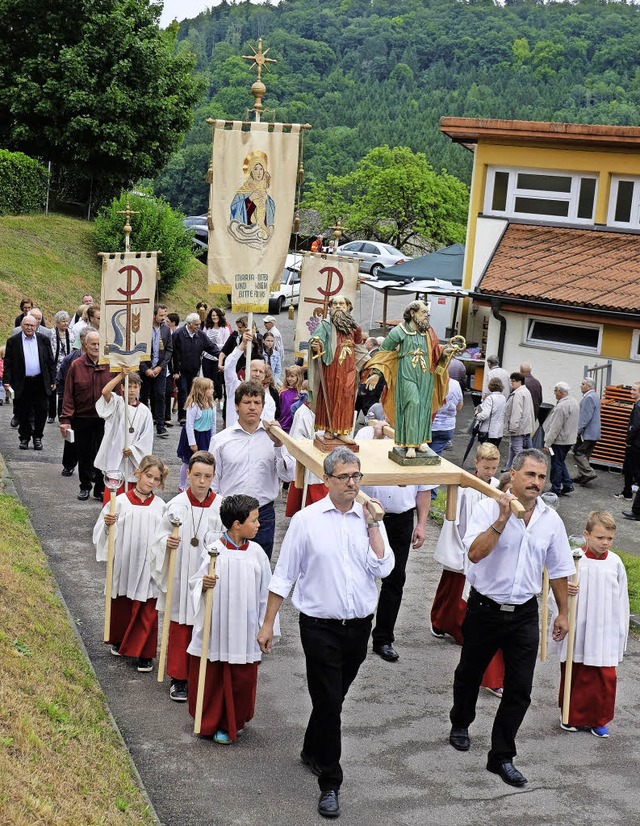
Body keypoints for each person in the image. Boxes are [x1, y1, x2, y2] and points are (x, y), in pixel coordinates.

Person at [257, 447, 394, 820]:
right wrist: (268, 622)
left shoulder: (370, 519)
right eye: (345, 477)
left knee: (331, 699)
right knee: (331, 700)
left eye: (357, 476)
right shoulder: (307, 520)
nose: (353, 483)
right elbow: (284, 574)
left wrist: (373, 525)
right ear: (327, 480)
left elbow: (383, 569)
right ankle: (330, 783)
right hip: (319, 627)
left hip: (359, 627)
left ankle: (310, 748)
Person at [448, 449, 575, 788]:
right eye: (530, 475)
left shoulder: (551, 520)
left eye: (541, 477)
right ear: (513, 475)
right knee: (469, 673)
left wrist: (562, 611)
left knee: (520, 689)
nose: (536, 482)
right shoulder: (487, 507)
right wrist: (502, 521)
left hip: (523, 614)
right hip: (485, 608)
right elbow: (474, 554)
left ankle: (502, 756)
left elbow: (560, 569)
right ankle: (460, 721)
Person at [186, 494, 275, 743]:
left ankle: (232, 722)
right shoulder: (214, 552)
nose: (259, 525)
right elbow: (195, 584)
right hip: (216, 627)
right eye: (254, 520)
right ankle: (210, 720)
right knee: (213, 675)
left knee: (240, 679)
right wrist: (203, 585)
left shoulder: (257, 553)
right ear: (237, 524)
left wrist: (266, 628)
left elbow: (265, 594)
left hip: (245, 630)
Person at [430, 444, 505, 695]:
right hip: (466, 545)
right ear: (476, 463)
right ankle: (443, 622)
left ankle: (460, 627)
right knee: (454, 588)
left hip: (487, 546)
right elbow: (460, 517)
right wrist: (464, 546)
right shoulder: (467, 486)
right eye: (485, 467)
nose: (489, 471)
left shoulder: (497, 487)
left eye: (493, 468)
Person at [357, 416, 432, 662]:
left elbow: (423, 489)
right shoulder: (366, 436)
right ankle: (356, 633)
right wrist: (378, 440)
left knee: (395, 578)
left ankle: (383, 639)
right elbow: (354, 472)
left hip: (400, 519)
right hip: (368, 516)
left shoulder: (418, 443)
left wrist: (421, 523)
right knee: (360, 573)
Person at [151, 451, 224, 702]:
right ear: (188, 475)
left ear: (213, 477)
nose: (202, 481)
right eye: (197, 476)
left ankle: (203, 675)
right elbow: (158, 539)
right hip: (181, 572)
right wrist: (166, 543)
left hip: (206, 575)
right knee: (182, 624)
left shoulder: (222, 506)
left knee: (205, 624)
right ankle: (180, 678)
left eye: (207, 476)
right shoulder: (176, 506)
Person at [551, 511, 629, 738]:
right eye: (600, 537)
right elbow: (554, 590)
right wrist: (567, 590)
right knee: (576, 670)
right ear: (586, 535)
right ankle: (571, 715)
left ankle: (598, 719)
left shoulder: (615, 562)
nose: (605, 543)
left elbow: (622, 599)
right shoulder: (574, 559)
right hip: (580, 627)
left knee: (604, 676)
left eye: (610, 538)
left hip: (605, 628)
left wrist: (620, 630)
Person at [93, 455, 169, 673]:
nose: (150, 482)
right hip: (125, 561)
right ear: (137, 473)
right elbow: (101, 533)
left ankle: (145, 654)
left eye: (156, 479)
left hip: (148, 565)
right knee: (123, 601)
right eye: (148, 476)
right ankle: (119, 639)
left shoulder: (161, 507)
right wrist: (108, 526)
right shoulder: (119, 503)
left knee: (147, 606)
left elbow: (164, 535)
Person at [210, 381, 295, 560]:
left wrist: (279, 445)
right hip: (230, 513)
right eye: (247, 402)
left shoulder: (276, 438)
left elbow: (288, 475)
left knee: (260, 567)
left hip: (262, 514)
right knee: (226, 565)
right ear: (236, 406)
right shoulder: (220, 440)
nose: (252, 407)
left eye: (257, 403)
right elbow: (213, 481)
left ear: (263, 407)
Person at [363, 300, 452, 458]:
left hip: (425, 375)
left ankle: (420, 440)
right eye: (423, 312)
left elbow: (435, 350)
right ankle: (410, 443)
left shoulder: (428, 332)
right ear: (412, 313)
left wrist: (444, 352)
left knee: (423, 406)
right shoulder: (399, 331)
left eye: (427, 313)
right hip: (407, 374)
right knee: (413, 403)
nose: (427, 315)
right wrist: (377, 372)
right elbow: (385, 351)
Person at [59, 329, 114, 501]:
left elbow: (118, 392)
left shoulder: (110, 364)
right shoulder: (76, 365)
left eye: (99, 344)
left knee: (102, 453)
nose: (96, 347)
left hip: (104, 418)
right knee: (84, 454)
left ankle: (100, 488)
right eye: (93, 344)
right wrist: (66, 419)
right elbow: (68, 394)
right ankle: (84, 486)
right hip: (82, 417)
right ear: (85, 344)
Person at [308, 294, 366, 443]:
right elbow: (317, 339)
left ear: (348, 308)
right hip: (332, 368)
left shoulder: (355, 328)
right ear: (331, 308)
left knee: (347, 398)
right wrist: (316, 345)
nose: (339, 306)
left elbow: (359, 347)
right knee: (333, 396)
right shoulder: (325, 326)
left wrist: (369, 366)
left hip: (350, 368)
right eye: (335, 304)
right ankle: (329, 428)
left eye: (342, 304)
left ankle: (343, 430)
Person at [95, 369, 154, 499]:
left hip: (133, 459)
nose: (132, 390)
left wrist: (133, 450)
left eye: (135, 386)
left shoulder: (145, 411)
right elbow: (105, 392)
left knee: (131, 492)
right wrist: (122, 375)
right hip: (115, 454)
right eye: (128, 386)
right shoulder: (117, 403)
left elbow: (147, 437)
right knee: (114, 491)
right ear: (122, 387)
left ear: (139, 388)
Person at [3, 314, 56, 451]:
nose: (29, 328)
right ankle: (24, 438)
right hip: (22, 381)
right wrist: (7, 381)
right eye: (27, 325)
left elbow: (50, 361)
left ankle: (38, 437)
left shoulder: (43, 340)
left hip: (40, 381)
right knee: (23, 411)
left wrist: (52, 379)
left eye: (32, 325)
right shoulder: (13, 341)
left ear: (36, 326)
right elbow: (8, 363)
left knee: (42, 410)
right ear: (22, 325)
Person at [172, 312, 219, 425]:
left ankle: (191, 414)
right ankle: (183, 416)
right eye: (196, 324)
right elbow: (173, 353)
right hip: (181, 369)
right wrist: (175, 370)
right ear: (189, 324)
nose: (198, 326)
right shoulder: (178, 334)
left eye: (199, 324)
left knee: (192, 392)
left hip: (194, 368)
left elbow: (211, 347)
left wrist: (222, 355)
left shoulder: (201, 335)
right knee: (183, 391)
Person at [223, 333, 276, 428]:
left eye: (261, 372)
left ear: (264, 376)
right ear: (247, 371)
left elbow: (267, 425)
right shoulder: (234, 387)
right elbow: (228, 367)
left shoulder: (268, 400)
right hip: (234, 439)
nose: (257, 374)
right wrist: (242, 344)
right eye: (255, 370)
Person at [139, 304, 174, 439]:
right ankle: (142, 426)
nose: (164, 318)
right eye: (161, 315)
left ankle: (160, 426)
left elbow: (169, 349)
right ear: (153, 315)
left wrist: (161, 366)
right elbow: (137, 350)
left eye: (165, 315)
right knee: (143, 397)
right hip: (145, 369)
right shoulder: (143, 328)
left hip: (160, 369)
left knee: (160, 395)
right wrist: (145, 369)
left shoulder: (165, 329)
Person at [177, 378, 216, 491]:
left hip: (205, 436)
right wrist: (192, 443)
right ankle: (182, 485)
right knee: (188, 462)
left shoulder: (212, 405)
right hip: (194, 435)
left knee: (205, 462)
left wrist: (213, 439)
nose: (212, 391)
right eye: (210, 389)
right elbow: (189, 425)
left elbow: (213, 424)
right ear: (202, 390)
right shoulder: (194, 406)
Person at [228, 150, 275, 245]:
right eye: (255, 169)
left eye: (261, 169)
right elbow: (234, 209)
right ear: (251, 171)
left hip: (262, 238)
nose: (259, 172)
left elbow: (270, 216)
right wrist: (249, 199)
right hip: (247, 234)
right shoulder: (243, 191)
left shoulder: (267, 197)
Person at [543, 382, 580, 496]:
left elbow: (555, 427)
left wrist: (547, 443)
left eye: (555, 391)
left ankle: (555, 488)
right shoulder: (574, 402)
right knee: (560, 462)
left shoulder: (561, 406)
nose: (554, 393)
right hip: (569, 439)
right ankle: (567, 484)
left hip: (560, 440)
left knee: (556, 465)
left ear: (560, 391)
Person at [617, 380, 640, 520]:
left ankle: (636, 511)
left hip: (636, 446)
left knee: (633, 471)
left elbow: (635, 426)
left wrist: (629, 441)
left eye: (634, 390)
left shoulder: (638, 406)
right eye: (631, 390)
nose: (631, 392)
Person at [572, 377, 601, 486]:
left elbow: (585, 417)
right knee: (585, 454)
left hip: (587, 433)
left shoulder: (588, 397)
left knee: (578, 452)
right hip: (593, 432)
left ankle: (588, 473)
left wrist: (578, 431)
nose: (581, 385)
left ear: (589, 386)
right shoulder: (595, 396)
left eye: (583, 384)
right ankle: (582, 475)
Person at [504, 372, 535, 469]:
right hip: (525, 426)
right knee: (514, 449)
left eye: (513, 381)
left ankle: (524, 469)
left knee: (517, 450)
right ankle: (509, 468)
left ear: (519, 382)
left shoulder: (518, 393)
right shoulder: (526, 391)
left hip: (517, 427)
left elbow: (517, 412)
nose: (511, 383)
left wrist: (512, 427)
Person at [202, 307, 231, 400]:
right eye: (213, 315)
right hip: (207, 357)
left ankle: (219, 397)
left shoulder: (225, 329)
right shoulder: (207, 327)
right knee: (207, 379)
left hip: (218, 358)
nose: (215, 317)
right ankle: (209, 397)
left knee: (217, 380)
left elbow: (226, 345)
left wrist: (214, 345)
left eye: (216, 315)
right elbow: (203, 340)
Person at [49, 311, 73, 423]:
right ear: (57, 322)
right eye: (63, 321)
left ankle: (62, 414)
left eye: (67, 321)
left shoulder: (71, 333)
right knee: (53, 390)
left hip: (67, 365)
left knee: (63, 392)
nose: (65, 323)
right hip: (55, 365)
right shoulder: (51, 333)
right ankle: (51, 414)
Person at [430, 377, 463, 455]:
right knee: (435, 455)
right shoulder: (455, 384)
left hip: (428, 426)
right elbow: (459, 407)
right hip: (447, 427)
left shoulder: (427, 381)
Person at [474, 378, 506, 447]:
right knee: (493, 453)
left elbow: (485, 415)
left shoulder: (490, 398)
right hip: (499, 432)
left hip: (488, 431)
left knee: (485, 454)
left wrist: (477, 414)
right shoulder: (503, 398)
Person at [279, 365, 304, 434]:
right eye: (288, 376)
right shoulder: (283, 391)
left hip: (296, 425)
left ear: (298, 377)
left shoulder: (301, 392)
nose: (289, 379)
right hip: (283, 423)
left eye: (292, 376)